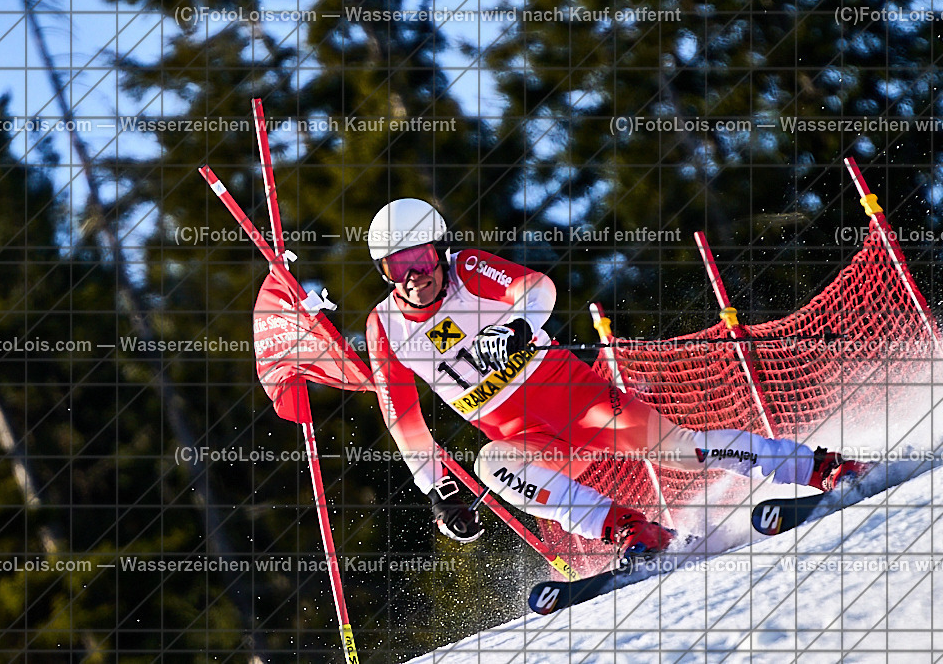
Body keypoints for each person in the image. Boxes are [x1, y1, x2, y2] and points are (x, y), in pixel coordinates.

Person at [364, 198, 869, 561]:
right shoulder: (384, 327)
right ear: (386, 272)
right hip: (526, 438)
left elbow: (535, 288)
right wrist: (438, 490)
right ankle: (630, 530)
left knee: (680, 452)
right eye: (397, 266)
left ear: (440, 249)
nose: (415, 275)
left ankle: (818, 467)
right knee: (494, 466)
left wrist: (517, 325)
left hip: (572, 397)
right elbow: (403, 419)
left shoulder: (467, 269)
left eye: (422, 258)